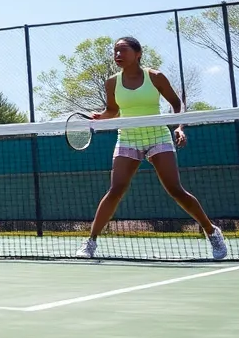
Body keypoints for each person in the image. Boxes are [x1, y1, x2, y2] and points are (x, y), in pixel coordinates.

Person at [75, 37, 227, 260]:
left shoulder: (155, 77)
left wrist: (180, 127)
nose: (118, 55)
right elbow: (112, 110)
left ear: (138, 53)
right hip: (128, 137)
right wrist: (100, 116)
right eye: (115, 51)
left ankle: (212, 232)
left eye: (123, 50)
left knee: (175, 189)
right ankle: (90, 243)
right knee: (115, 190)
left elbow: (177, 104)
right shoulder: (111, 83)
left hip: (157, 136)